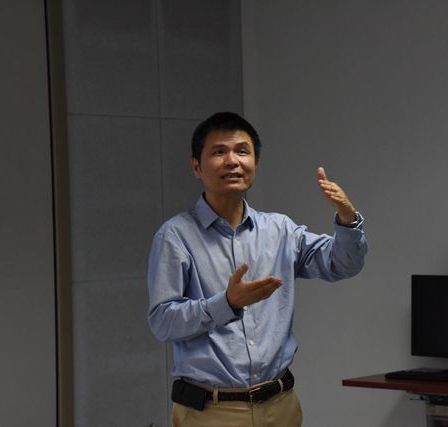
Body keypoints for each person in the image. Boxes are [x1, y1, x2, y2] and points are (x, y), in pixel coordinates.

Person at [147, 112, 368, 427]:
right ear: (197, 167)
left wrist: (347, 218)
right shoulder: (175, 235)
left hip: (280, 404)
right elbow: (162, 322)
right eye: (219, 152)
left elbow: (342, 264)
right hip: (211, 410)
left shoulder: (279, 229)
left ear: (255, 163)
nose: (232, 161)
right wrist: (227, 303)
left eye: (242, 151)